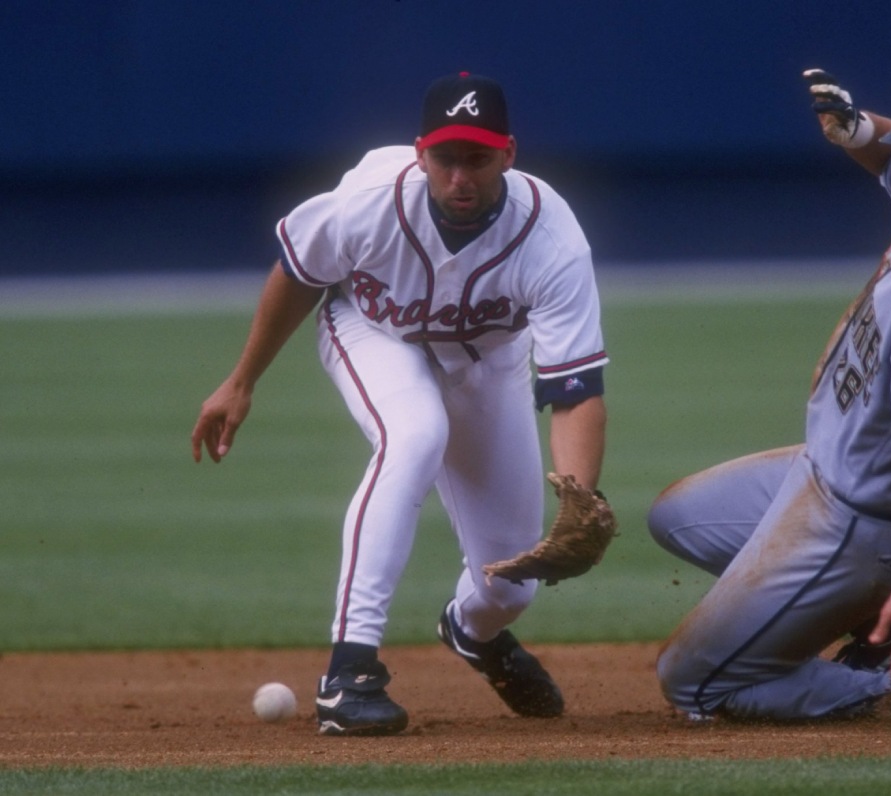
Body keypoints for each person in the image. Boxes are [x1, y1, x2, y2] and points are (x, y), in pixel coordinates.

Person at [191, 72, 610, 735]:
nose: (460, 176)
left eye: (477, 158)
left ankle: (470, 632)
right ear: (421, 154)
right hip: (370, 330)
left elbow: (574, 387)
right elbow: (299, 275)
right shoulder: (369, 203)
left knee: (509, 586)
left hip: (489, 364)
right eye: (446, 158)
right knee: (414, 434)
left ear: (509, 153)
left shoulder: (552, 238)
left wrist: (581, 500)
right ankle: (349, 670)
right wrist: (242, 379)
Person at [647, 69, 891, 721]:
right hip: (819, 472)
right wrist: (859, 130)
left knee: (692, 683)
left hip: (861, 521)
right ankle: (876, 624)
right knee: (677, 517)